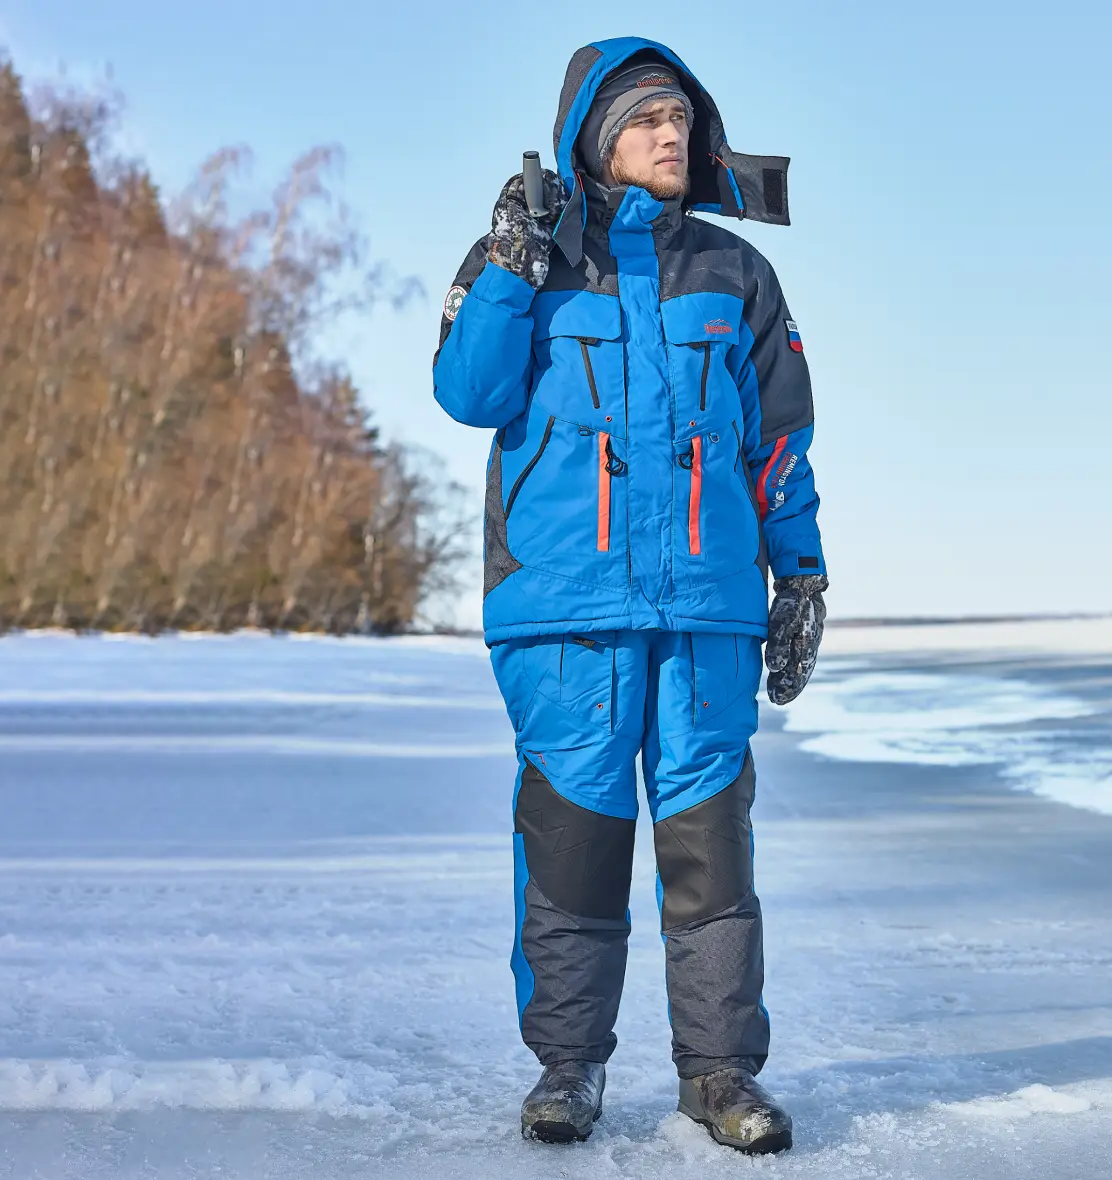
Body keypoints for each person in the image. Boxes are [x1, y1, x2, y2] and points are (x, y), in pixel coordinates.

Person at [431, 36, 827, 1155]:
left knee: (712, 854)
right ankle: (568, 1068)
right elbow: (467, 391)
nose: (673, 135)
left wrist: (798, 569)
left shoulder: (736, 274)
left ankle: (719, 1074)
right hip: (563, 617)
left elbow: (780, 443)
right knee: (575, 848)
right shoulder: (525, 258)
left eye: (682, 120)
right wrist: (510, 264)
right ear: (595, 140)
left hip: (705, 612)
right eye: (647, 119)